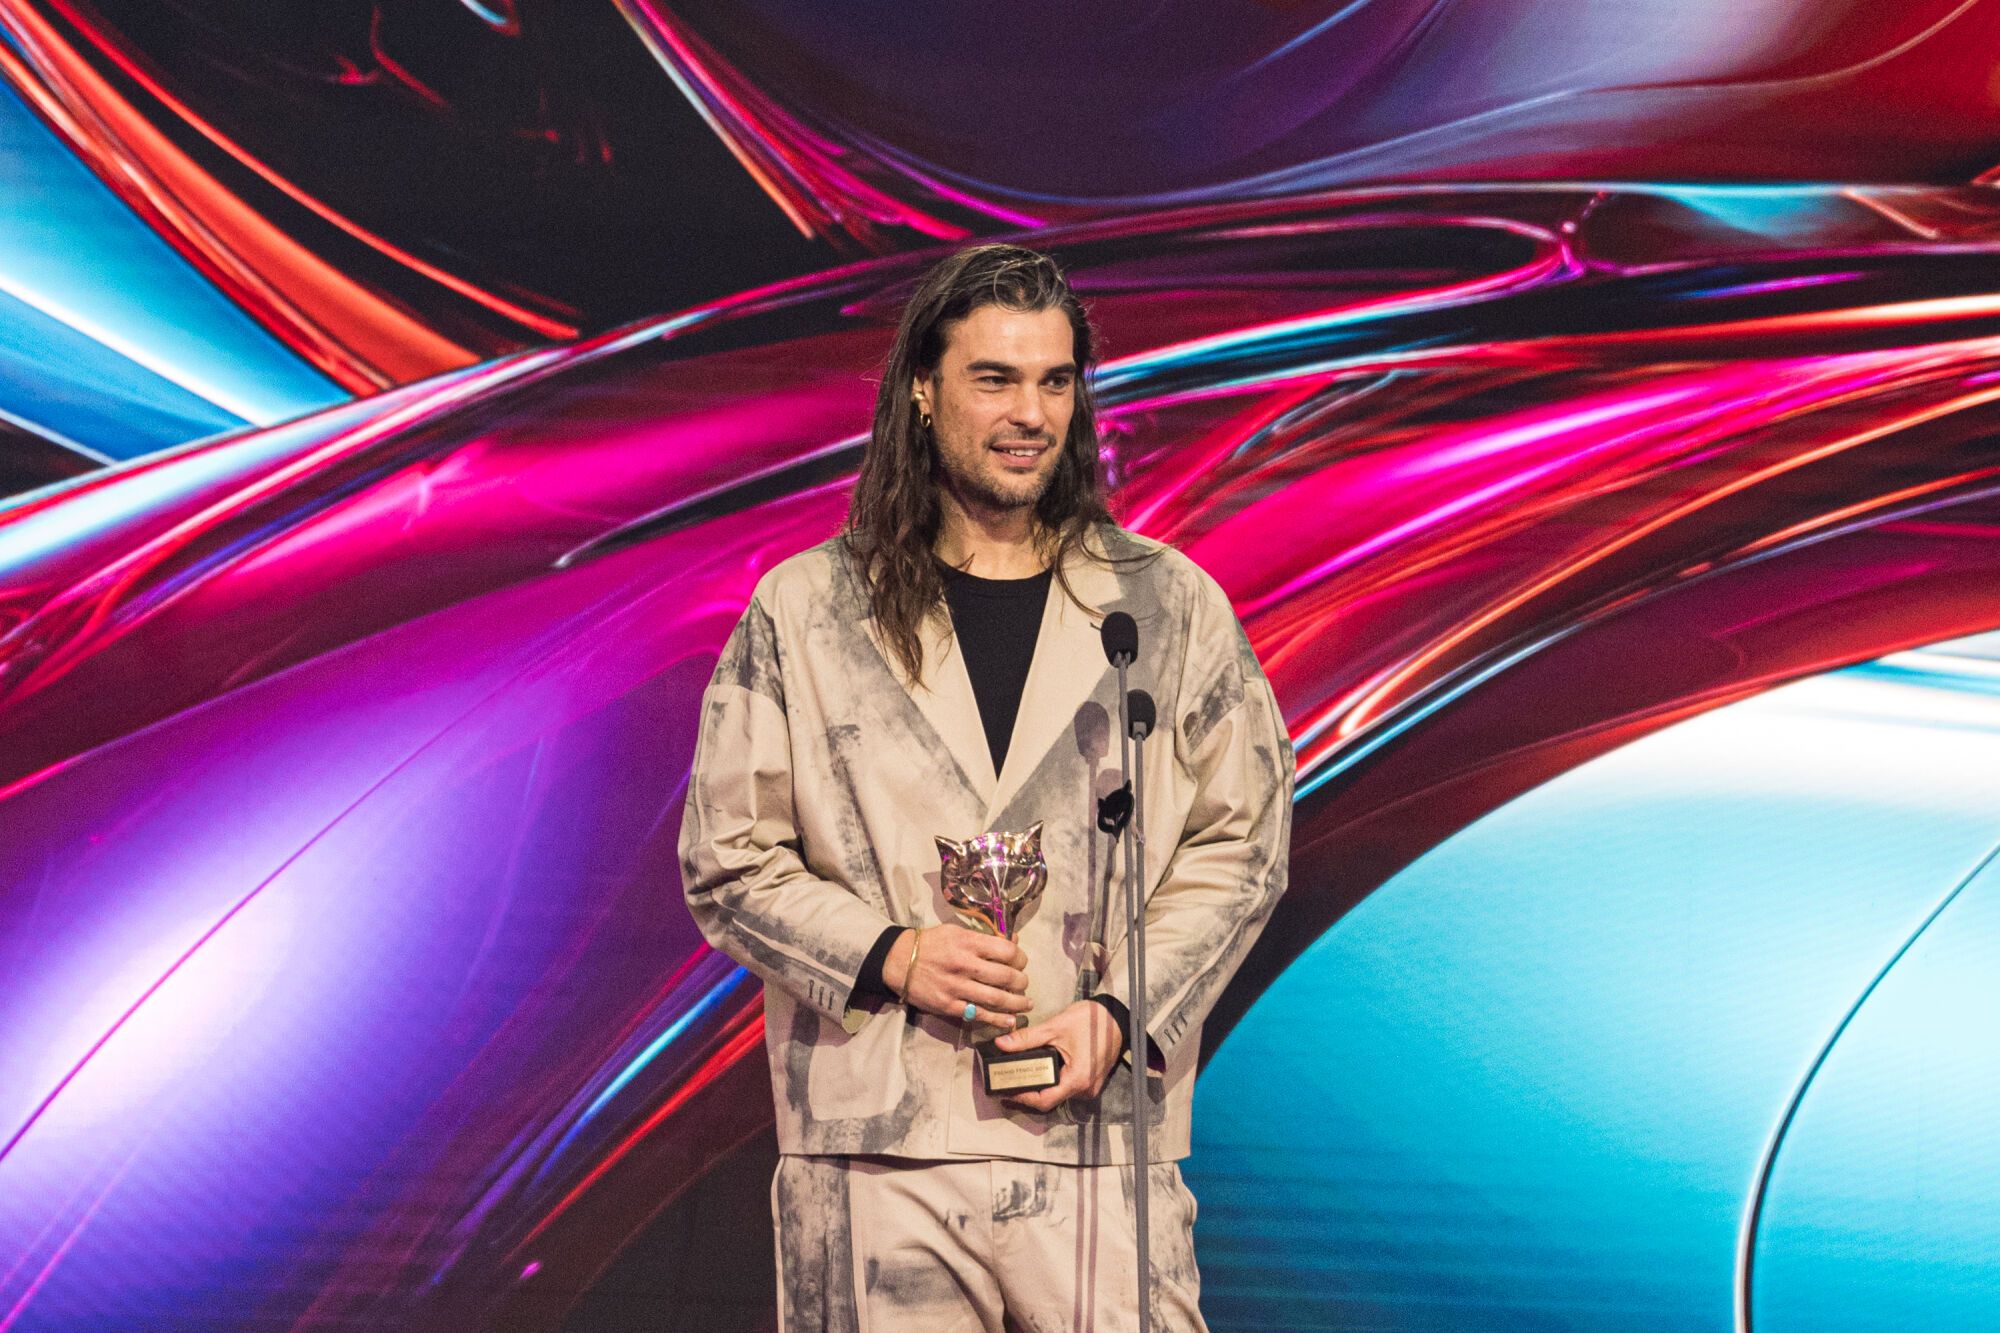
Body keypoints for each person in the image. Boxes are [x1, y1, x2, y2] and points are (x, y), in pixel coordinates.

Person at [678, 242, 1294, 1330]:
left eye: (1054, 382)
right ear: (922, 388)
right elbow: (726, 861)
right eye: (995, 379)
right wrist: (892, 953)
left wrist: (1121, 1013)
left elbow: (1243, 845)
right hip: (878, 1149)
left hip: (1095, 1140)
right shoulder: (806, 610)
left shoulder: (1164, 605)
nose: (1030, 415)